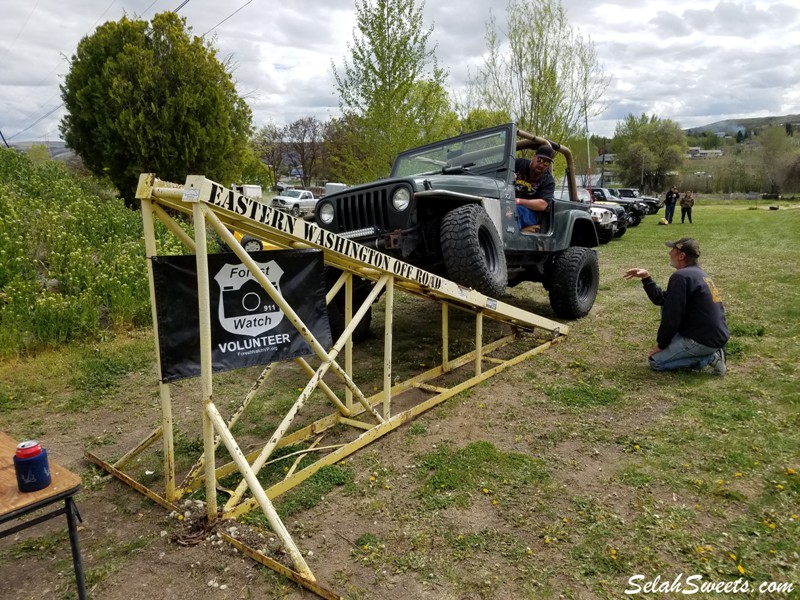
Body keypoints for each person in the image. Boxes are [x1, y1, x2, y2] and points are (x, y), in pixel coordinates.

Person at [623, 237, 729, 374]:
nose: (669, 253)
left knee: (656, 361)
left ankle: (710, 358)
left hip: (703, 339)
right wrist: (646, 278)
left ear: (681, 255)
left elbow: (672, 316)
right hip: (712, 335)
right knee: (667, 305)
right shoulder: (697, 273)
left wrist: (662, 345)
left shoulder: (681, 276)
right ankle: (710, 351)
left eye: (672, 250)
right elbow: (662, 300)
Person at [514, 145, 555, 233]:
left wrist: (518, 201)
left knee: (514, 210)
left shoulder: (548, 180)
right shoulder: (518, 164)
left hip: (531, 213)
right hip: (508, 203)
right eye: (539, 160)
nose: (541, 164)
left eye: (546, 163)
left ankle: (509, 240)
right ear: (533, 157)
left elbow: (542, 204)